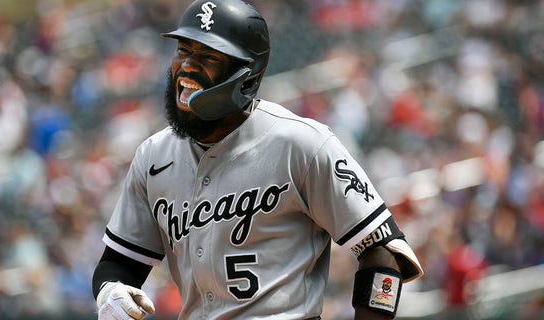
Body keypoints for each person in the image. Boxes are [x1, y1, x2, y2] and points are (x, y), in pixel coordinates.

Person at [91, 0, 424, 319]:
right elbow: (121, 261)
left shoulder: (300, 143)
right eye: (184, 50)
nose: (187, 66)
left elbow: (384, 253)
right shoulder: (153, 156)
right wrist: (110, 291)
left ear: (245, 76)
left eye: (208, 56)